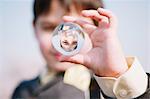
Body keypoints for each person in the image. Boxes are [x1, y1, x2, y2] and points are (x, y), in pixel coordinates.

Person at [12, 0, 150, 99]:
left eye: (75, 29)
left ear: (97, 31)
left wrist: (117, 74)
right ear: (34, 28)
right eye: (49, 27)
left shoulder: (107, 88)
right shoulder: (23, 91)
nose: (62, 42)